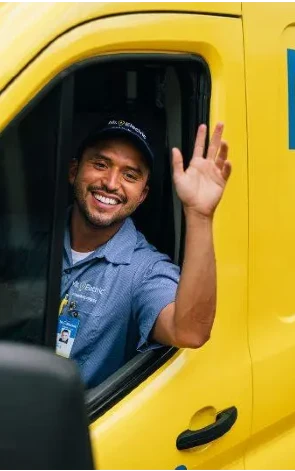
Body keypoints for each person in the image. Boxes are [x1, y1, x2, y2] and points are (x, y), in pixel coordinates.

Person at [58, 118, 231, 388]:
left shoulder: (144, 270)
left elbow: (190, 331)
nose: (111, 183)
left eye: (130, 175)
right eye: (101, 164)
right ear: (74, 170)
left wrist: (199, 216)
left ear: (141, 195)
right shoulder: (32, 241)